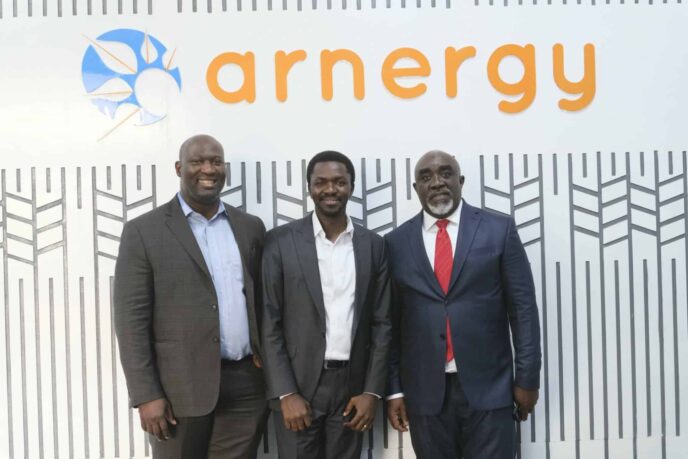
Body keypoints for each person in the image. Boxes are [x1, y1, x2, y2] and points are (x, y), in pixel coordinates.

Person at [113, 134, 268, 458]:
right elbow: (131, 320)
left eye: (216, 162)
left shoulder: (250, 227)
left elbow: (262, 299)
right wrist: (146, 394)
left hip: (245, 386)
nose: (208, 169)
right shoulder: (144, 231)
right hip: (177, 390)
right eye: (197, 161)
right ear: (178, 168)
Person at [385, 150, 542, 459]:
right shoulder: (395, 243)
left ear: (461, 180)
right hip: (425, 394)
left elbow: (523, 310)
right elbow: (390, 323)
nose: (437, 182)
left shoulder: (499, 229)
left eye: (446, 173)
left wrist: (527, 379)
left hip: (491, 388)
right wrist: (394, 389)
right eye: (426, 177)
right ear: (416, 188)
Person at [260, 150, 391, 459]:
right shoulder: (280, 242)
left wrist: (371, 391)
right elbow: (269, 321)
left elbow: (382, 323)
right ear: (309, 187)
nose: (330, 189)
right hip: (298, 386)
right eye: (321, 182)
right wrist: (286, 392)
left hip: (352, 389)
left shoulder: (374, 246)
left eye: (339, 182)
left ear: (351, 187)